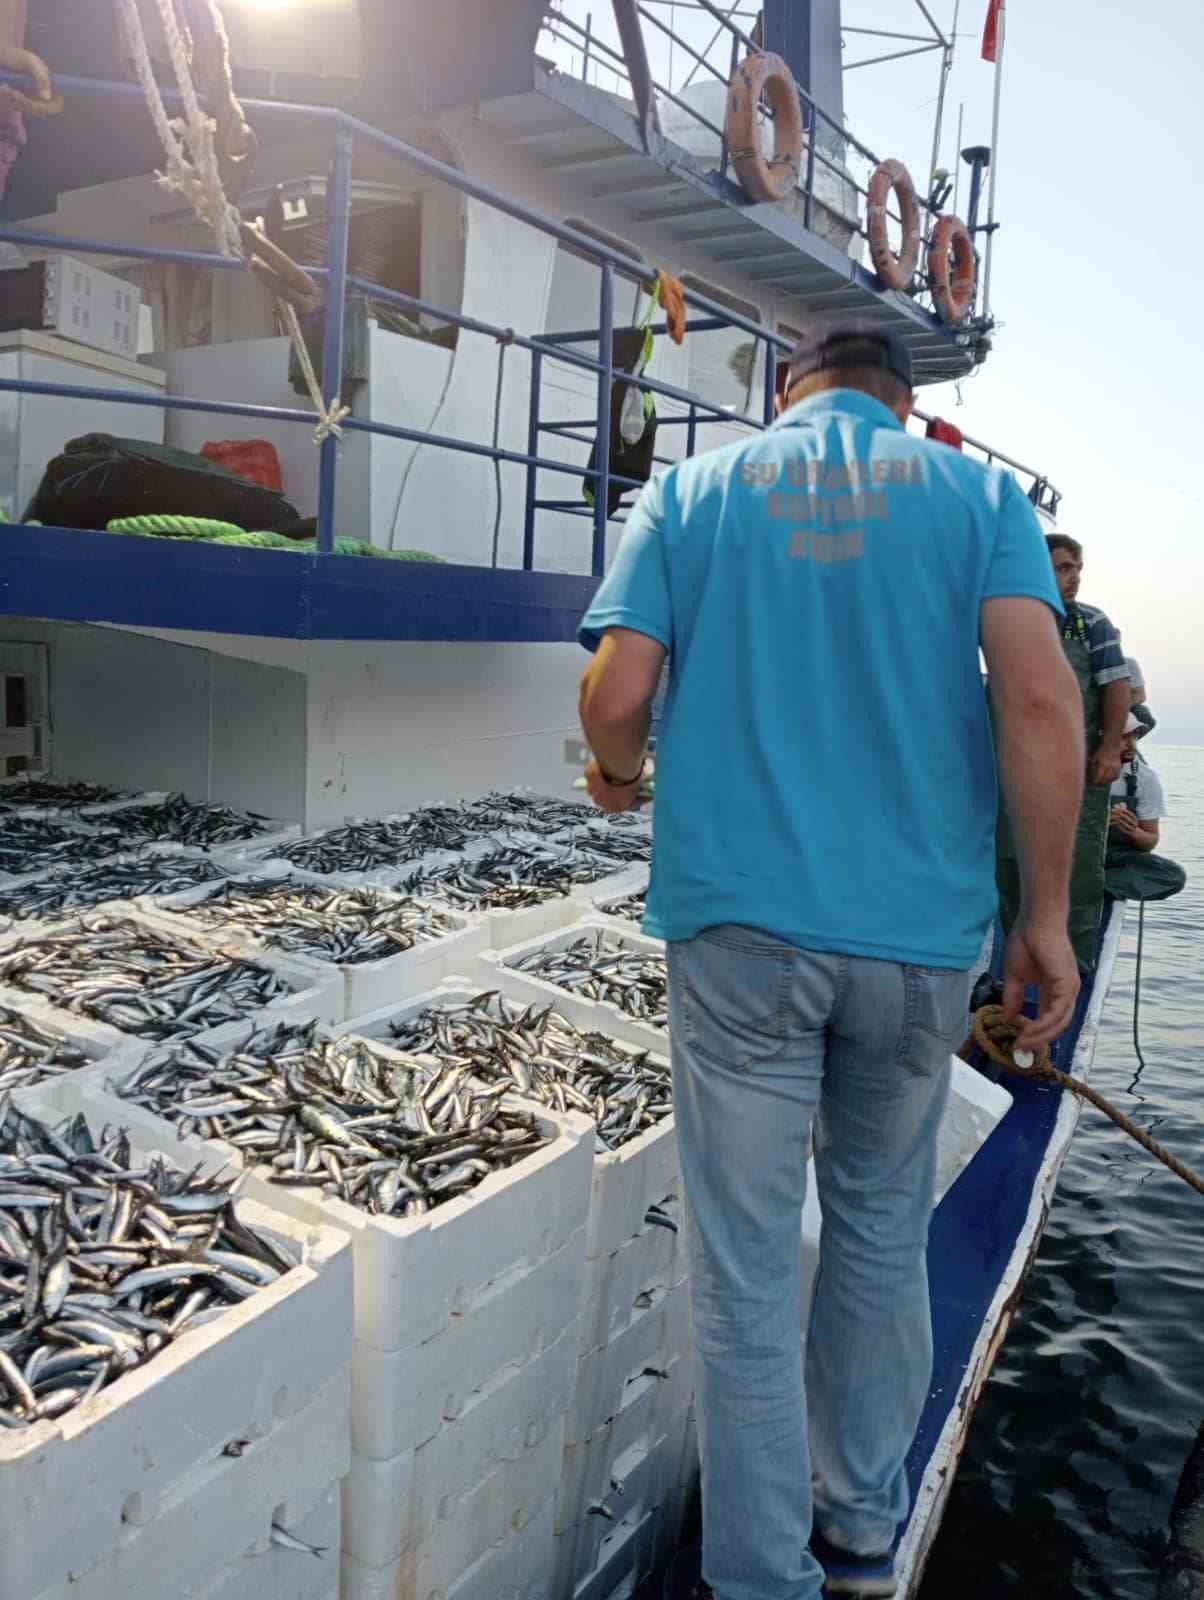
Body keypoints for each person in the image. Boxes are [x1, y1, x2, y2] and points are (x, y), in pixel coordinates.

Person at [575, 319, 1083, 1600]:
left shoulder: (692, 490)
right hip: (914, 945)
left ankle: (757, 1579)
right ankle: (859, 1530)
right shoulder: (979, 496)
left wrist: (617, 777)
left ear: (784, 389)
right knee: (874, 1232)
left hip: (738, 933)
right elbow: (1035, 699)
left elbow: (617, 689)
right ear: (901, 405)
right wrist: (1044, 916)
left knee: (745, 1273)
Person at [996, 534, 1130, 973]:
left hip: (1077, 767)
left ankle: (1076, 963)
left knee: (1079, 861)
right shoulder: (1008, 619)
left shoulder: (1092, 623)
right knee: (1010, 858)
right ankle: (1016, 959)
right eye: (1061, 568)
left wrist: (1110, 749)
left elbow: (1116, 686)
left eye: (1076, 568)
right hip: (1013, 766)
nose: (1072, 578)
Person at [1109, 712, 1165, 853]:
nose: (1131, 744)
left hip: (1119, 854)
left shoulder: (1145, 778)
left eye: (1134, 735)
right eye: (1124, 737)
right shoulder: (1076, 769)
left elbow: (1151, 840)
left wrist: (1133, 830)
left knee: (1172, 872)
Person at [1124, 655, 1157, 739]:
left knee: (1142, 712)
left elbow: (1140, 696)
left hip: (1118, 709)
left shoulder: (1128, 662)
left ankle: (1127, 745)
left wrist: (1116, 710)